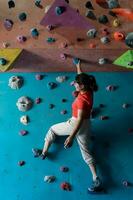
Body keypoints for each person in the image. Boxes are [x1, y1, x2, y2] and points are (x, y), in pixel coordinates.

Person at [41, 60, 102, 192]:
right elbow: (81, 77)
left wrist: (71, 137)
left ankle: (44, 152)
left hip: (76, 123)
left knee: (52, 129)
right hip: (87, 125)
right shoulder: (89, 90)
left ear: (81, 86)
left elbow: (79, 119)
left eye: (76, 83)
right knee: (86, 152)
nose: (74, 84)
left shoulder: (80, 100)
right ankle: (96, 178)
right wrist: (78, 66)